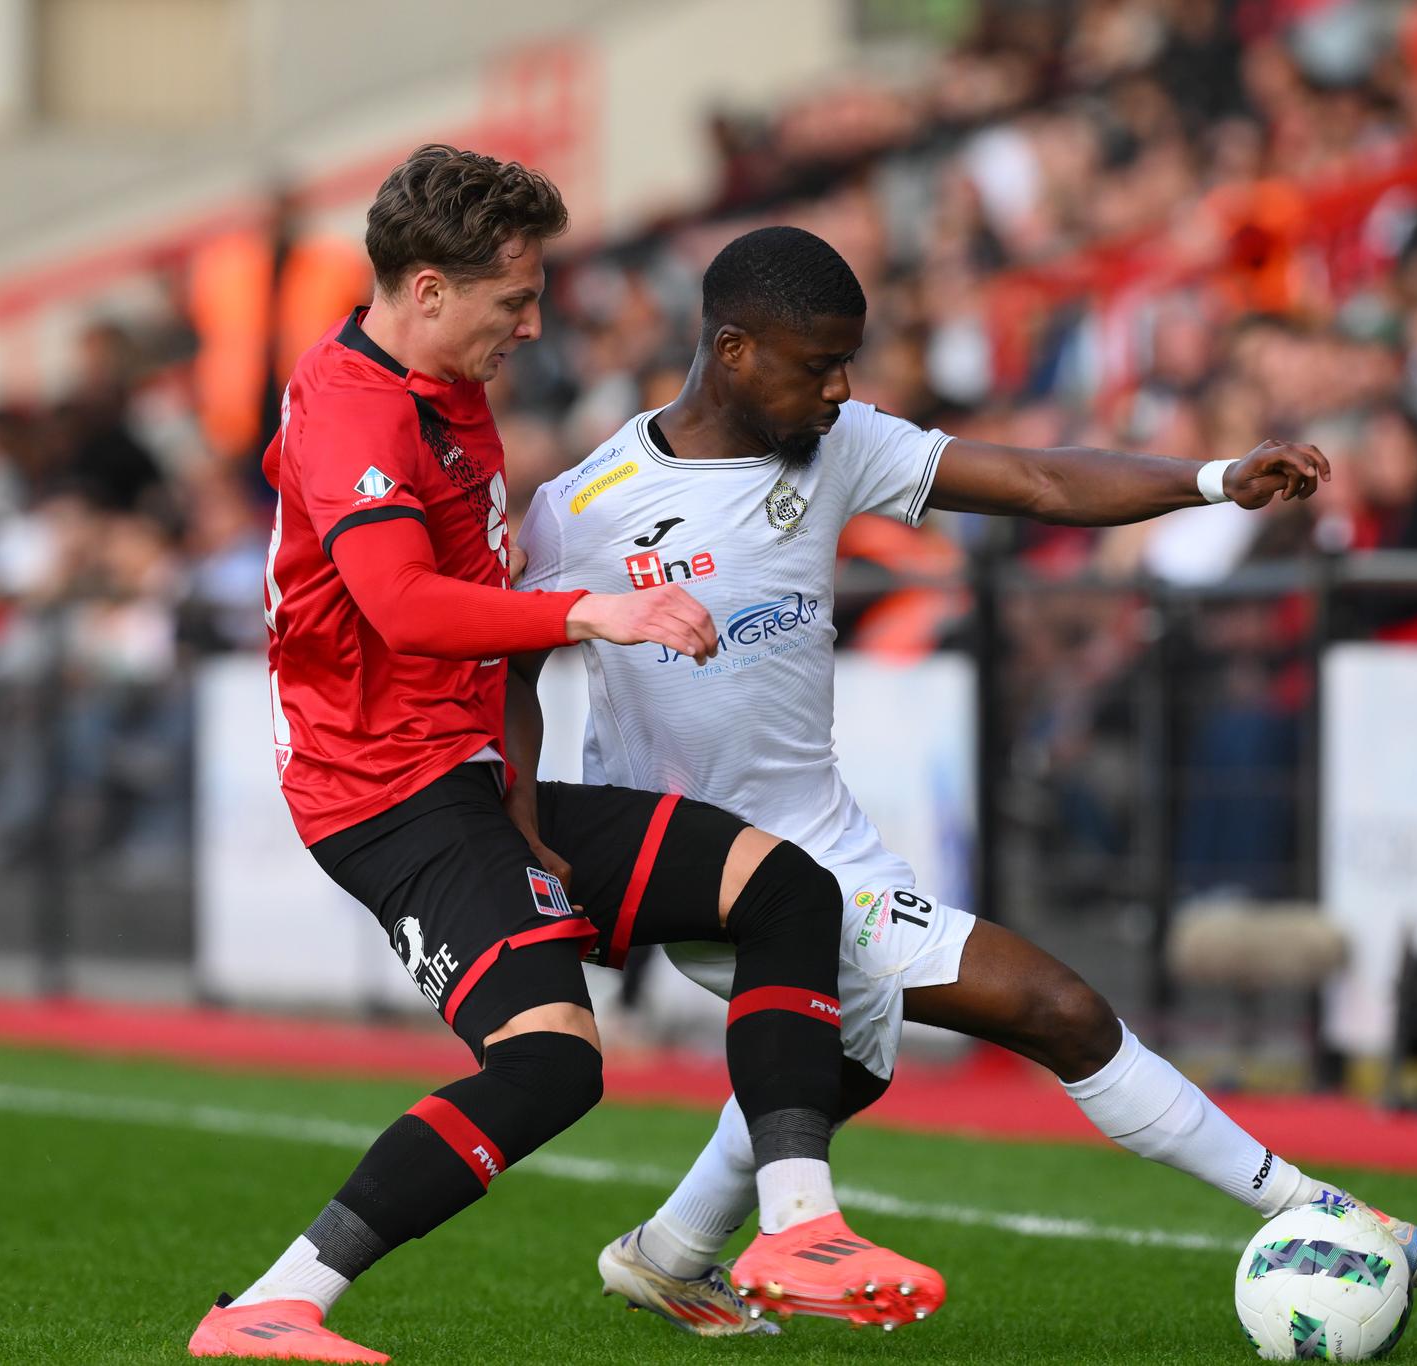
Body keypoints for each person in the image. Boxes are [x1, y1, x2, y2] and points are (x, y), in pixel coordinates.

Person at [514, 226, 1417, 1337]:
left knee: (849, 1058)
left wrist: (1210, 480)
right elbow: (509, 659)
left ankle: (668, 1252)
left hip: (827, 837)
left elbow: (1038, 478)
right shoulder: (586, 505)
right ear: (734, 350)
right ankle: (1323, 1207)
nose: (843, 388)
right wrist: (528, 818)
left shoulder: (836, 441)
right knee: (1056, 1007)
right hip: (712, 865)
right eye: (820, 365)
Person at [190, 154, 941, 1363]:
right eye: (513, 298)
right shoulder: (356, 408)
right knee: (549, 1064)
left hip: (472, 776)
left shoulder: (442, 374)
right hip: (390, 798)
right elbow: (403, 606)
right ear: (428, 289)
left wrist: (526, 794)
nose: (532, 324)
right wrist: (595, 612)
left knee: (787, 887)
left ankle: (799, 1226)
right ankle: (277, 1305)